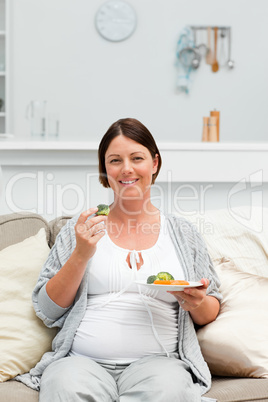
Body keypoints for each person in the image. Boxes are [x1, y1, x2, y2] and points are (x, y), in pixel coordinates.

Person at [18, 118, 222, 401]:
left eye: (136, 158)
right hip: (81, 363)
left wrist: (196, 302)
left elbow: (211, 308)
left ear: (154, 163)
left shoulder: (183, 233)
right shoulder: (81, 230)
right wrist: (81, 255)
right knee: (64, 387)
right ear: (105, 170)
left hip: (160, 364)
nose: (126, 168)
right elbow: (47, 310)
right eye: (115, 160)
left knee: (169, 390)